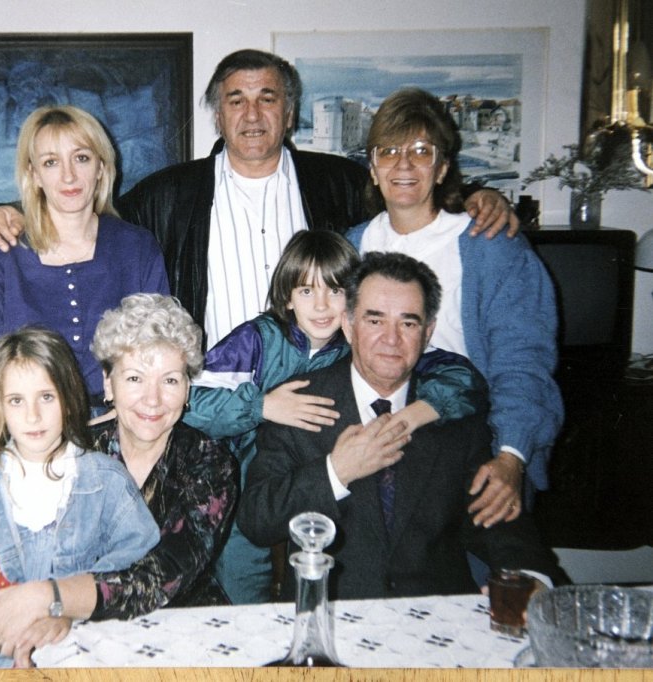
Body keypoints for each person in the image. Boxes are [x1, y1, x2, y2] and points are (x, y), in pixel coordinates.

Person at [0, 50, 517, 350]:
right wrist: (8, 210)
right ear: (218, 114)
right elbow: (81, 209)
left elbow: (409, 195)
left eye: (267, 98)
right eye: (236, 100)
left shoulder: (341, 183)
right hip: (213, 398)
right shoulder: (168, 195)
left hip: (318, 392)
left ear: (289, 112)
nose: (252, 114)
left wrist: (476, 196)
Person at [237, 252, 567, 601]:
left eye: (408, 323)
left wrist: (533, 578)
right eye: (375, 320)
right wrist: (336, 471)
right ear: (348, 325)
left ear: (428, 332)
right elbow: (257, 520)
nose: (391, 339)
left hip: (435, 615)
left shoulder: (456, 414)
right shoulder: (298, 403)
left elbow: (497, 518)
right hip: (328, 609)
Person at [184, 230, 487, 604]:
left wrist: (416, 414)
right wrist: (261, 406)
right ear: (287, 297)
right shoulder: (258, 340)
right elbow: (185, 400)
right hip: (235, 477)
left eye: (334, 290)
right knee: (240, 582)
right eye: (306, 291)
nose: (321, 305)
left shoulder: (359, 344)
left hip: (313, 481)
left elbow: (463, 379)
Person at [0, 294, 238, 667]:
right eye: (134, 378)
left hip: (179, 629)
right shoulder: (76, 447)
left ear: (187, 387)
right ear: (108, 384)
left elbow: (162, 576)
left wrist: (54, 600)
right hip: (72, 633)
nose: (153, 399)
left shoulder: (209, 463)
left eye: (170, 380)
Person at [346, 88, 563, 527]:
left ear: (442, 167)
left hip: (471, 440)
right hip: (377, 441)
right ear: (372, 167)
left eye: (421, 151)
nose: (403, 165)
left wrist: (511, 456)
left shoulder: (490, 247)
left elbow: (523, 359)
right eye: (389, 151)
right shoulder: (352, 246)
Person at [0, 327, 160, 668]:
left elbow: (133, 568)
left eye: (46, 397)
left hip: (83, 639)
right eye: (16, 400)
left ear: (68, 399)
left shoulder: (107, 482)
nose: (33, 416)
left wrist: (67, 611)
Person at [0, 104, 169, 404]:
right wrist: (29, 414)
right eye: (51, 162)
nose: (69, 176)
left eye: (81, 158)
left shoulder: (137, 248)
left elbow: (157, 345)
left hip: (121, 418)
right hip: (28, 421)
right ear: (34, 174)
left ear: (101, 167)